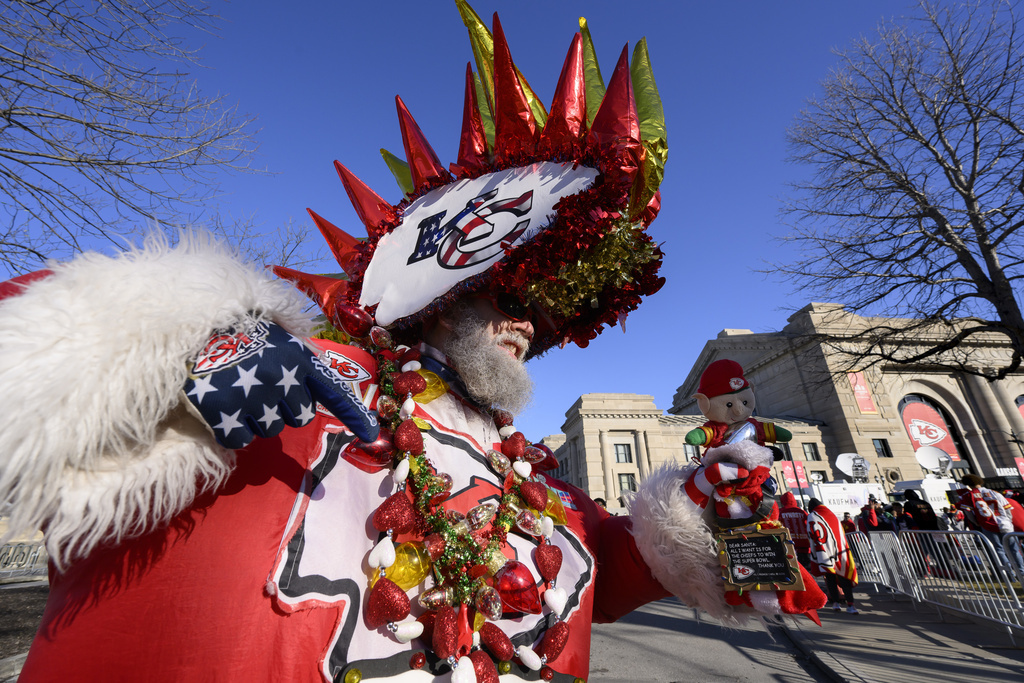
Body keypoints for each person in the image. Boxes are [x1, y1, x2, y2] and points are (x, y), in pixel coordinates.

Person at [0, 6, 819, 682]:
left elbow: (598, 566)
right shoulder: (310, 380)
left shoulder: (528, 471)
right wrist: (184, 357)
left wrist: (700, 521)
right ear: (437, 303)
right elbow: (34, 346)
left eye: (542, 312)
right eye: (511, 296)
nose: (529, 325)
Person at [957, 474, 1023, 575]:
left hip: (987, 524)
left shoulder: (968, 495)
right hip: (1005, 523)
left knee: (998, 550)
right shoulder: (994, 492)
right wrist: (1008, 520)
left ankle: (1009, 574)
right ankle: (1022, 571)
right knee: (1014, 549)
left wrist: (976, 522)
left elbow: (968, 513)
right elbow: (1007, 508)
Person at [807, 498, 860, 614]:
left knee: (830, 579)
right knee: (844, 577)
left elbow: (812, 535)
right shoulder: (832, 515)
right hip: (840, 551)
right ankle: (851, 605)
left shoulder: (812, 516)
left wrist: (814, 555)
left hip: (824, 552)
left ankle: (836, 603)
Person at [779, 492, 812, 569]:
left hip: (790, 546)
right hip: (806, 546)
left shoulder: (780, 512)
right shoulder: (802, 512)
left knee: (795, 571)